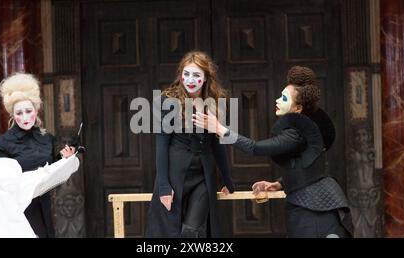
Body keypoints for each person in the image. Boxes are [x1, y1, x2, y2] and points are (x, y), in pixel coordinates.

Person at [193, 66, 354, 238]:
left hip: (317, 207)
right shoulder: (299, 131)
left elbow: (255, 148)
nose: (277, 100)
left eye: (284, 98)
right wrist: (278, 184)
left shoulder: (296, 134)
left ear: (297, 108)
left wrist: (219, 128)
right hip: (307, 204)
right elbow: (303, 165)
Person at [145, 51, 234, 238]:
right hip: (175, 174)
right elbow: (161, 144)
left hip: (203, 176)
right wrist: (163, 185)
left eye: (196, 75)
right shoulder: (168, 101)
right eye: (186, 74)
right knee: (169, 231)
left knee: (192, 231)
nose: (190, 80)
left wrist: (227, 179)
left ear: (205, 78)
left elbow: (218, 144)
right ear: (180, 75)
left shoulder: (214, 102)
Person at [0, 73, 76, 238]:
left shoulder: (46, 139)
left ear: (36, 110)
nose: (25, 117)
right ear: (12, 116)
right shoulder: (3, 144)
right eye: (19, 113)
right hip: (17, 208)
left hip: (44, 204)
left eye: (28, 111)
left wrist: (64, 158)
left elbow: (51, 169)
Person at [0, 154, 80, 237]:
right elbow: (43, 176)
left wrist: (68, 160)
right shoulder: (11, 188)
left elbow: (42, 176)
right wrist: (69, 161)